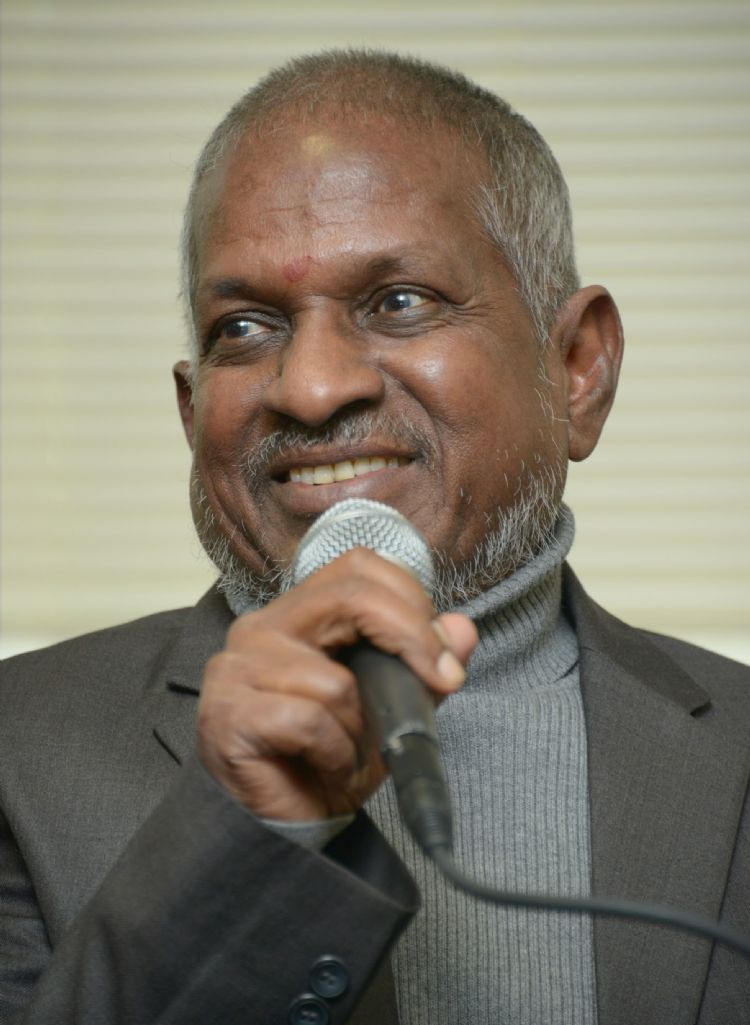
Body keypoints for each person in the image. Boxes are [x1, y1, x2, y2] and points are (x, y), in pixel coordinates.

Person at [1, 49, 748, 1025]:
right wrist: (245, 838)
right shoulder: (17, 744)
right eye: (245, 326)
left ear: (575, 367)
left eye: (400, 302)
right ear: (191, 410)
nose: (312, 389)